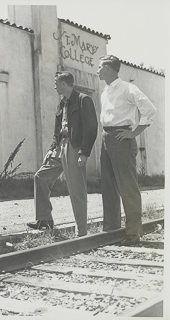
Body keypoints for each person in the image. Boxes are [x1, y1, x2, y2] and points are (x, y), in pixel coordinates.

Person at [27, 71, 98, 236]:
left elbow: (91, 128)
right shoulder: (61, 103)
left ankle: (81, 230)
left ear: (64, 84)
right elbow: (56, 130)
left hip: (74, 147)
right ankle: (44, 220)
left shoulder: (83, 100)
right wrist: (52, 148)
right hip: (60, 147)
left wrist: (84, 152)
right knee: (41, 177)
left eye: (56, 83)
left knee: (76, 188)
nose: (54, 86)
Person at [97, 55, 157, 245]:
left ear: (108, 68)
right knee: (108, 187)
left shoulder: (128, 88)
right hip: (107, 138)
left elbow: (150, 110)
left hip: (122, 139)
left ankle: (133, 234)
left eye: (100, 67)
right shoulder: (104, 92)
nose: (97, 71)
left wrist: (135, 133)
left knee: (127, 187)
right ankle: (111, 230)